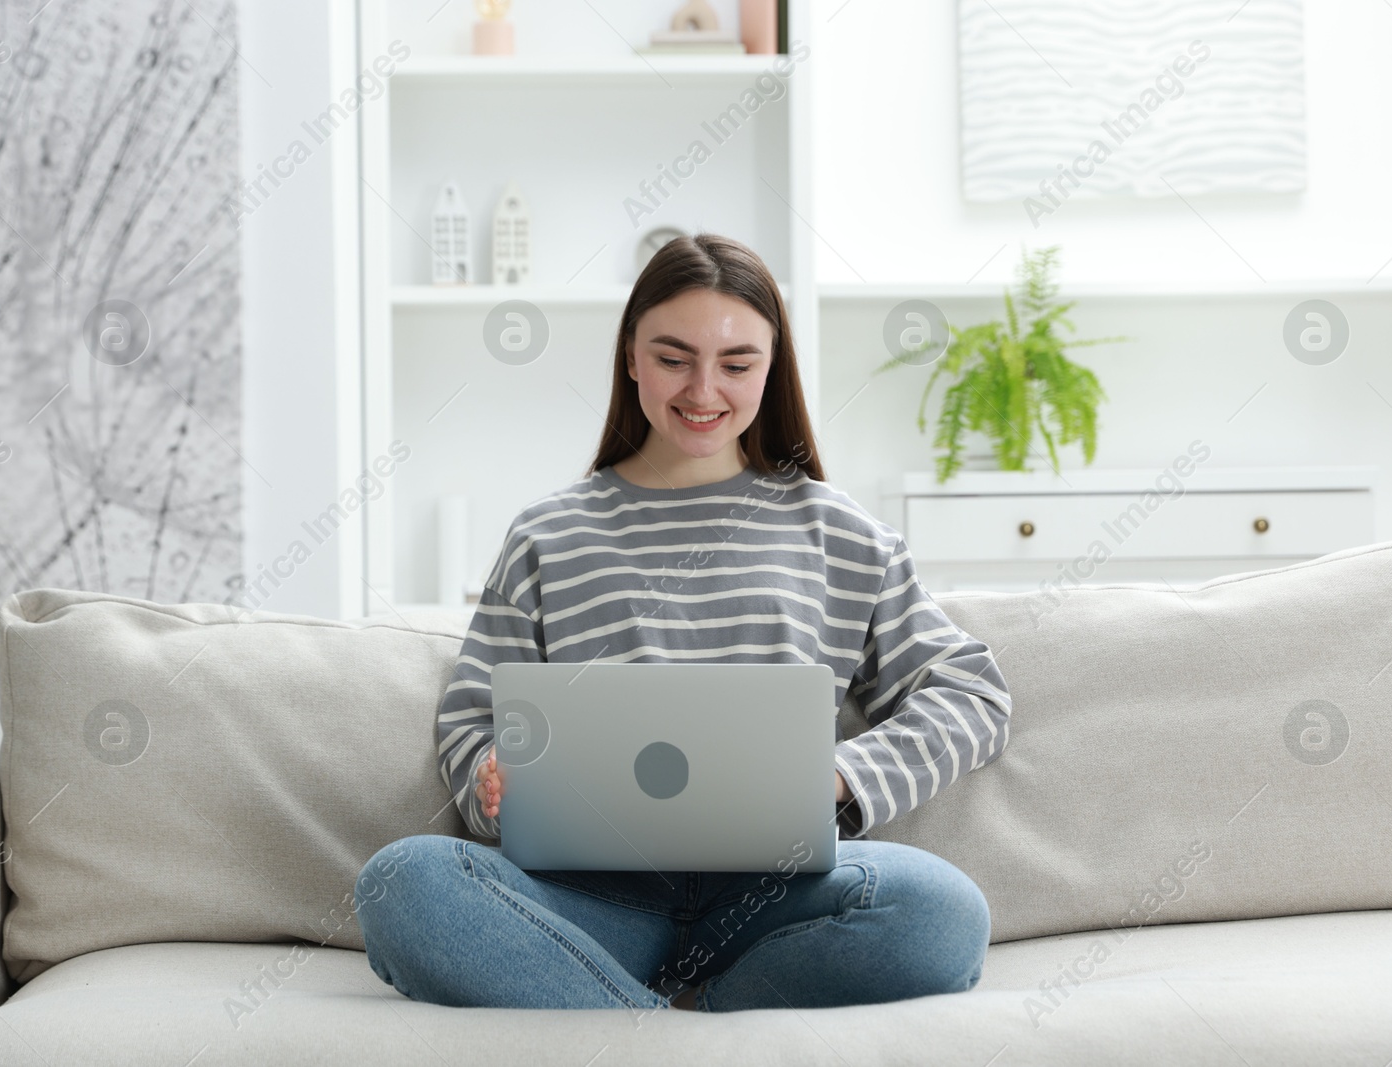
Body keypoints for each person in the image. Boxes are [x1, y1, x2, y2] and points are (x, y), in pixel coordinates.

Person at [355, 233, 1011, 1014]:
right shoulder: (547, 537)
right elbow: (471, 721)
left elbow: (971, 692)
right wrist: (490, 780)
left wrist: (840, 776)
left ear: (773, 368)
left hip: (775, 895)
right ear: (630, 358)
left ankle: (634, 1022)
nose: (704, 389)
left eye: (737, 363)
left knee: (943, 914)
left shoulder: (842, 535)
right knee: (402, 881)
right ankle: (669, 1040)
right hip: (589, 901)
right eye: (673, 358)